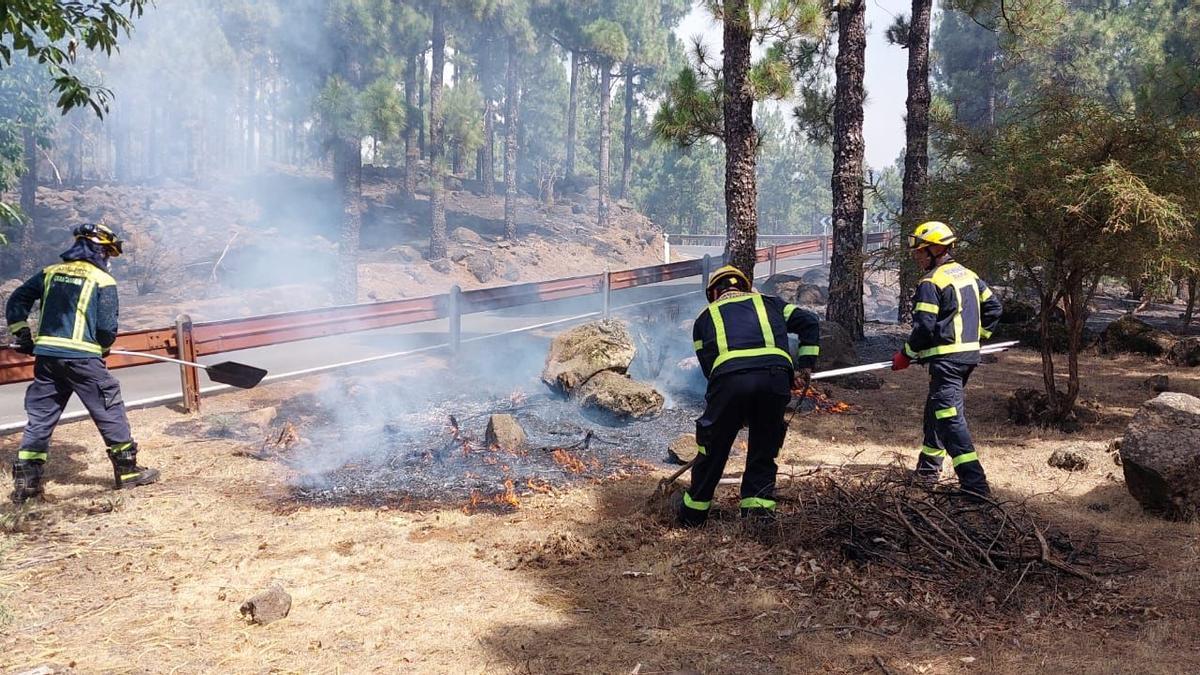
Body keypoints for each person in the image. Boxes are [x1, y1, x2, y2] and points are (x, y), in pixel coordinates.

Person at [6, 223, 158, 503]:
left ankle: (27, 486)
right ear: (99, 251)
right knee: (108, 407)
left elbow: (16, 300)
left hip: (48, 359)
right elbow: (106, 329)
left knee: (40, 418)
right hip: (83, 360)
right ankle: (127, 472)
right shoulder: (102, 280)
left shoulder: (49, 273)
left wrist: (23, 335)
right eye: (108, 253)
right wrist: (103, 349)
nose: (109, 260)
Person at [677, 264, 821, 527]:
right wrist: (806, 364)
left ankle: (693, 516)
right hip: (775, 379)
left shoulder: (704, 319)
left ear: (714, 292)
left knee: (712, 448)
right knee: (764, 446)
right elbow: (810, 323)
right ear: (743, 287)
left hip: (731, 381)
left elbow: (710, 370)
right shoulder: (772, 303)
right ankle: (758, 515)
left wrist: (732, 407)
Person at [892, 221, 1002, 498]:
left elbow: (924, 328)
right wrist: (976, 337)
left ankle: (975, 485)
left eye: (921, 251)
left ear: (937, 249)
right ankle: (928, 471)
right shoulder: (968, 275)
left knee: (950, 419)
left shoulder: (931, 282)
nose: (917, 256)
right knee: (936, 412)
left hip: (947, 362)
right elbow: (994, 308)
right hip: (965, 358)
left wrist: (905, 354)